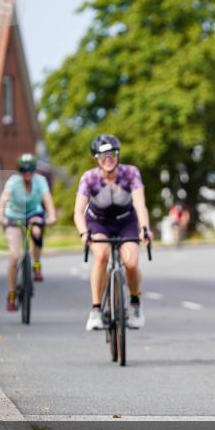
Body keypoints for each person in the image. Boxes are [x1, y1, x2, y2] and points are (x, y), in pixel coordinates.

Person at [73, 134, 153, 331]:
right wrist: (84, 233)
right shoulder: (89, 178)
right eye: (103, 156)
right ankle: (95, 311)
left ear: (118, 156)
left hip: (126, 221)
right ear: (96, 159)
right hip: (98, 222)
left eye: (113, 154)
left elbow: (140, 204)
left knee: (131, 262)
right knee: (101, 256)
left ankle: (135, 304)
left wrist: (145, 229)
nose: (108, 159)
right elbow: (77, 211)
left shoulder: (131, 173)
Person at [0, 153, 56, 311]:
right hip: (14, 215)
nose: (28, 172)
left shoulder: (40, 181)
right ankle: (11, 294)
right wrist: (1, 216)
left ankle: (36, 264)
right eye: (24, 169)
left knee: (37, 230)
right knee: (15, 256)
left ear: (35, 169)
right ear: (19, 170)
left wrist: (52, 216)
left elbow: (47, 199)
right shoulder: (13, 182)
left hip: (33, 213)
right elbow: (3, 200)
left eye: (31, 169)